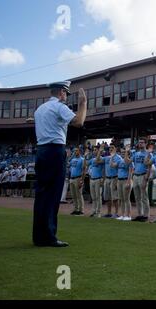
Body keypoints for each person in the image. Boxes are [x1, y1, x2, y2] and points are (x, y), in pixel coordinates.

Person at [32, 82, 87, 247]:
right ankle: (49, 236)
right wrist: (83, 104)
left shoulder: (40, 109)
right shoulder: (59, 106)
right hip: (54, 151)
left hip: (41, 151)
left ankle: (39, 236)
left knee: (42, 195)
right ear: (62, 92)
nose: (66, 97)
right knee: (53, 195)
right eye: (66, 94)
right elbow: (78, 122)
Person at [130, 138, 151, 222]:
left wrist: (146, 178)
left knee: (144, 197)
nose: (140, 144)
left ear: (145, 144)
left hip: (143, 176)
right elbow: (130, 162)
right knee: (137, 197)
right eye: (139, 142)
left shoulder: (148, 154)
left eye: (142, 142)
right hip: (135, 176)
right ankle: (140, 214)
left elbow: (149, 167)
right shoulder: (136, 153)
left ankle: (146, 215)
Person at [111, 147, 134, 221]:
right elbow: (112, 165)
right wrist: (111, 157)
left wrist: (128, 182)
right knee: (121, 199)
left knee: (126, 199)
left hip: (126, 180)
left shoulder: (130, 162)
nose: (123, 154)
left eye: (125, 152)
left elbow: (131, 172)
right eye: (122, 153)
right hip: (119, 181)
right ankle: (123, 215)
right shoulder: (119, 161)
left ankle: (128, 215)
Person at [102, 144, 119, 218]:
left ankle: (116, 213)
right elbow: (98, 160)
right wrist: (100, 150)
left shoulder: (118, 158)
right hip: (107, 178)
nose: (111, 149)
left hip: (114, 178)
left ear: (115, 149)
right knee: (107, 197)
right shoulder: (106, 158)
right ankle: (109, 213)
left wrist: (116, 181)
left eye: (113, 148)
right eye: (110, 148)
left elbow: (118, 169)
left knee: (115, 197)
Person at [87, 146, 104, 218]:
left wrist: (100, 152)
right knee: (93, 197)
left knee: (98, 197)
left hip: (98, 179)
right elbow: (86, 164)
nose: (94, 151)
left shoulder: (102, 159)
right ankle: (93, 211)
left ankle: (98, 212)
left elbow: (97, 161)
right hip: (92, 179)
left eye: (95, 150)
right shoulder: (92, 159)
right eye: (93, 150)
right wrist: (85, 156)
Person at [69, 147, 85, 216]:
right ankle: (76, 209)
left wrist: (82, 180)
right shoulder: (73, 159)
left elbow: (84, 170)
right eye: (74, 151)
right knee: (73, 195)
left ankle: (81, 210)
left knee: (79, 195)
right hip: (72, 178)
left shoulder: (82, 159)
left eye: (76, 151)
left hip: (78, 178)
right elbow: (70, 167)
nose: (75, 152)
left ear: (79, 152)